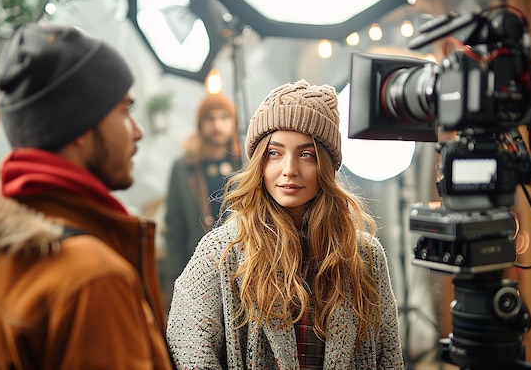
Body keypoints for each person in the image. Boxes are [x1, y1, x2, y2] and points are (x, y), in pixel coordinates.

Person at [0, 24, 173, 369]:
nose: (137, 131)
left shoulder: (4, 242)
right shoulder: (91, 278)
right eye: (124, 111)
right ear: (80, 128)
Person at [166, 80, 404, 369]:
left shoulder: (365, 255)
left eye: (307, 155)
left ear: (327, 166)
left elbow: (388, 357)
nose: (289, 170)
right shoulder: (221, 251)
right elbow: (189, 346)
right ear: (260, 164)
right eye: (274, 153)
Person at [162, 92, 242, 307]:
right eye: (210, 118)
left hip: (241, 271)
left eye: (224, 117)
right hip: (196, 271)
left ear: (234, 122)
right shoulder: (183, 168)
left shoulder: (244, 163)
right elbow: (174, 226)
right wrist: (174, 278)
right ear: (200, 124)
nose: (217, 125)